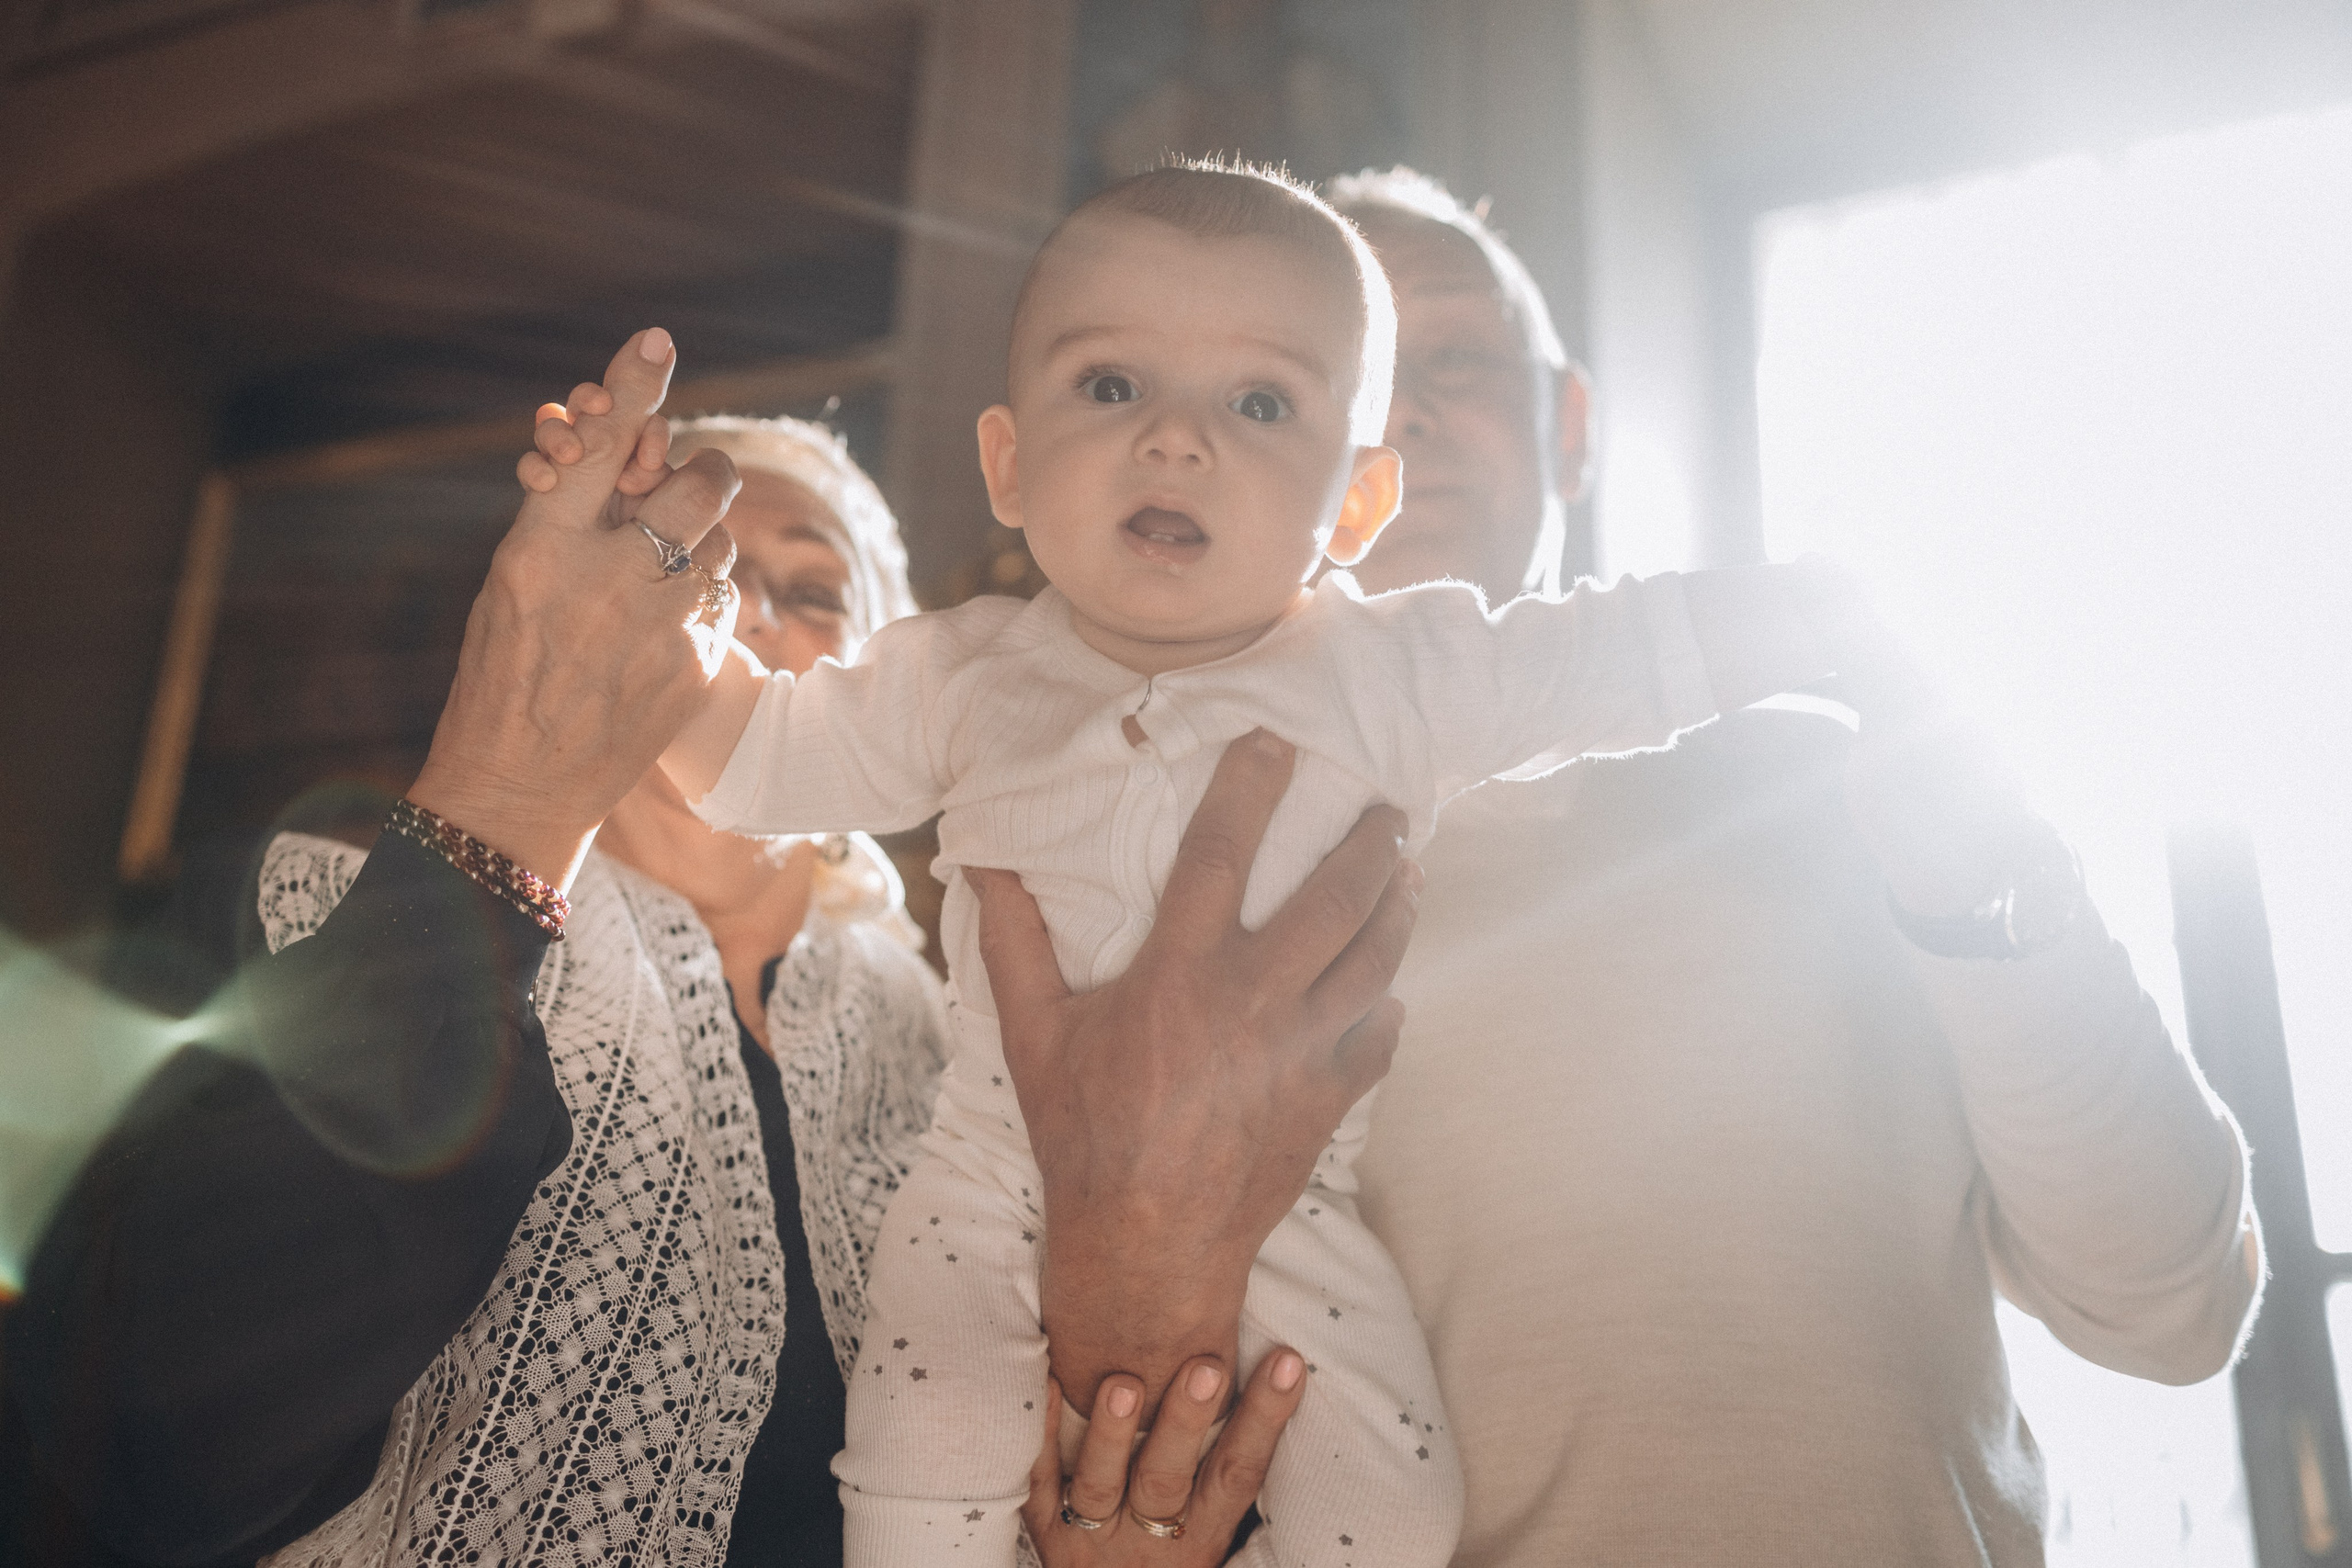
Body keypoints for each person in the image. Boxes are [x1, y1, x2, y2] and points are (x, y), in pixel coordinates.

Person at [622, 161, 1842, 1568]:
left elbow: (1612, 652)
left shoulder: (1400, 673)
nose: (1175, 443)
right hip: (983, 1174)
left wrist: (1813, 616)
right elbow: (753, 755)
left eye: (1259, 404)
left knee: (1393, 1509)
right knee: (927, 1434)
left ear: (1360, 503)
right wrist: (636, 598)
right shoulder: (960, 679)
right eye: (1111, 388)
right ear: (1009, 465)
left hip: (1290, 1205)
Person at [2, 374, 1410, 1566]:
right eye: (693, 573)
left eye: (808, 590)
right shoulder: (327, 909)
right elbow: (122, 1446)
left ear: (902, 706)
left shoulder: (985, 1050)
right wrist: (505, 795)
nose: (744, 625)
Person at [1312, 167, 2261, 1564]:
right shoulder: (1189, 877)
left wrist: (1982, 888)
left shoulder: (1837, 783)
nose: (1401, 414)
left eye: (1450, 358)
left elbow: (2173, 1312)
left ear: (1569, 424)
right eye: (1342, 379)